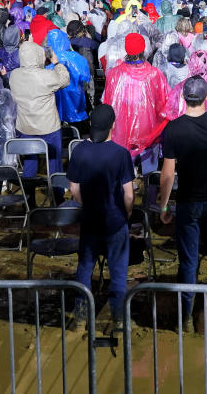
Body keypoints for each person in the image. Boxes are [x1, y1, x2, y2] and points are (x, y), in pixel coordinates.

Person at [157, 73, 207, 327]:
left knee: (188, 260)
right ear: (205, 97)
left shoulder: (173, 128)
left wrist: (164, 205)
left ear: (184, 97)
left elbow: (168, 174)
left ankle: (185, 316)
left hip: (188, 202)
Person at [68, 104, 135, 324]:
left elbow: (74, 189)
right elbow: (129, 195)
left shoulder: (78, 150)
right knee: (117, 270)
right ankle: (117, 318)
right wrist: (127, 214)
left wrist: (86, 205)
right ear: (112, 126)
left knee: (85, 266)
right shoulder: (121, 154)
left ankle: (80, 314)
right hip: (115, 220)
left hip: (89, 219)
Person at [101, 33, 170, 172]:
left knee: (124, 174)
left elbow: (107, 102)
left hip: (122, 132)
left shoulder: (114, 74)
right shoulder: (154, 74)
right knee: (149, 174)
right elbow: (164, 103)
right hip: (148, 132)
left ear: (127, 50)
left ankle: (127, 192)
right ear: (144, 49)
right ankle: (149, 192)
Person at [9, 40, 70, 188]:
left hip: (25, 127)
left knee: (30, 162)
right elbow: (64, 80)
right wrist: (56, 63)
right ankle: (57, 195)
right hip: (48, 127)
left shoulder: (14, 75)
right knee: (54, 163)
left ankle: (29, 197)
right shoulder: (46, 76)